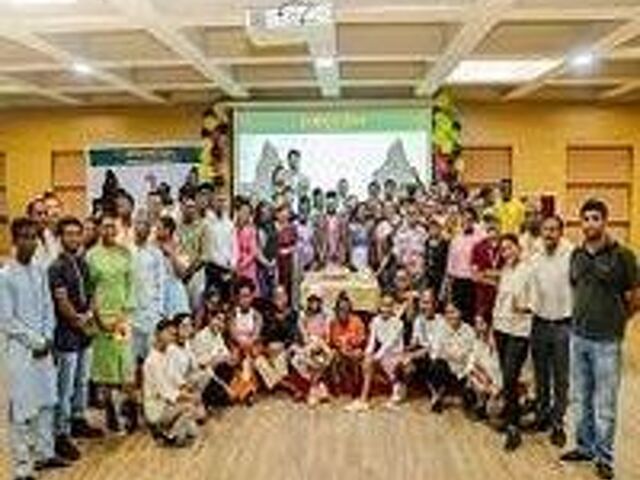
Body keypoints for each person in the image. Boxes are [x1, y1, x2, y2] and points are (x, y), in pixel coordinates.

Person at [561, 199, 638, 480]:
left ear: (605, 221)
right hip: (578, 336)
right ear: (581, 223)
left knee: (605, 404)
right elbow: (576, 287)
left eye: (596, 218)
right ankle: (584, 447)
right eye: (586, 218)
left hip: (607, 342)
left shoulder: (623, 256)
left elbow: (635, 296)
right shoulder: (577, 254)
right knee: (581, 398)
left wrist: (619, 320)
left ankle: (604, 457)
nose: (590, 223)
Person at [0, 218, 70, 480]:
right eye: (24, 237)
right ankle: (22, 469)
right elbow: (7, 320)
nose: (30, 242)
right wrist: (36, 342)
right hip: (20, 352)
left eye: (33, 237)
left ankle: (44, 454)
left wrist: (48, 337)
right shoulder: (5, 276)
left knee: (46, 402)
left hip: (44, 348)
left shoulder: (40, 271)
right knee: (21, 410)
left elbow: (48, 308)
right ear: (14, 240)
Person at [48, 217, 102, 463]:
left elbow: (91, 293)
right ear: (61, 237)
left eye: (77, 234)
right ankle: (61, 434)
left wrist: (90, 313)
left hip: (84, 333)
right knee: (65, 386)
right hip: (66, 334)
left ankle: (78, 419)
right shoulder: (56, 267)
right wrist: (80, 321)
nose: (73, 238)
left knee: (81, 381)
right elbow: (61, 301)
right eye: (68, 234)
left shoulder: (82, 263)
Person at [86, 212, 136, 433]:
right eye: (105, 226)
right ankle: (110, 413)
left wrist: (123, 314)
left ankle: (128, 410)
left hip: (122, 319)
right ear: (99, 229)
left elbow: (131, 285)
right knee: (104, 369)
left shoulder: (125, 254)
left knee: (125, 365)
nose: (109, 231)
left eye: (113, 227)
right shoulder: (91, 256)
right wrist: (98, 318)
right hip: (100, 320)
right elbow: (88, 291)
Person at [529, 215, 573, 447]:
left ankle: (558, 423)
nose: (549, 233)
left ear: (561, 232)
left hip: (563, 325)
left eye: (554, 229)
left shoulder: (571, 255)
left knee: (561, 378)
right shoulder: (535, 257)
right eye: (546, 229)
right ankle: (543, 415)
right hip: (539, 323)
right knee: (541, 375)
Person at [492, 233, 533, 452]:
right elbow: (501, 300)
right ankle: (510, 418)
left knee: (510, 376)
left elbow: (538, 300)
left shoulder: (529, 270)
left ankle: (513, 427)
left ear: (518, 247)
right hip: (501, 328)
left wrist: (525, 307)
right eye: (503, 250)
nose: (506, 252)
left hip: (519, 331)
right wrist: (493, 326)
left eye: (509, 248)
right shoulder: (506, 270)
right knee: (507, 378)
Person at [143, 318, 199, 447]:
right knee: (190, 408)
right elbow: (166, 392)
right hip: (157, 407)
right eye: (168, 333)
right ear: (158, 334)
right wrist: (189, 397)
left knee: (193, 432)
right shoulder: (152, 361)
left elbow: (174, 377)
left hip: (168, 403)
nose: (171, 338)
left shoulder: (168, 353)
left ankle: (168, 428)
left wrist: (185, 387)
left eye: (173, 335)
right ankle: (169, 436)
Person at [347, 294, 405, 411]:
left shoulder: (398, 323)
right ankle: (364, 399)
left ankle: (395, 388)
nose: (385, 309)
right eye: (383, 306)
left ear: (393, 308)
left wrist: (375, 357)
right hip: (382, 354)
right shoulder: (375, 321)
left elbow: (389, 343)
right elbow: (372, 341)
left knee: (373, 361)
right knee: (367, 361)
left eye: (389, 306)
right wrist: (368, 354)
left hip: (395, 354)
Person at [428, 302, 475, 413]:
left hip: (463, 371)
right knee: (436, 365)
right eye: (447, 313)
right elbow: (435, 351)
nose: (450, 316)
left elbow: (472, 355)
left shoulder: (469, 331)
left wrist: (467, 372)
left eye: (453, 312)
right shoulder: (440, 328)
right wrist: (453, 355)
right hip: (446, 368)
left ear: (461, 313)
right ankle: (437, 396)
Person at [131, 214, 166, 364]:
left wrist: (160, 309)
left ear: (150, 229)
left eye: (145, 224)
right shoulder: (127, 251)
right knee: (130, 357)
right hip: (130, 310)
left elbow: (161, 282)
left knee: (151, 356)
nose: (142, 227)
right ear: (134, 226)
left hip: (151, 310)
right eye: (139, 223)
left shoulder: (156, 253)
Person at [255, 285, 300, 393]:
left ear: (286, 297)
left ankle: (277, 383)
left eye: (281, 295)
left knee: (281, 358)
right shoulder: (267, 314)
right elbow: (264, 335)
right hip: (269, 350)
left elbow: (293, 336)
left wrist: (283, 346)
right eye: (276, 296)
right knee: (258, 362)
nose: (279, 299)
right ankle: (285, 385)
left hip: (285, 349)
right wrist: (267, 349)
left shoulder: (293, 314)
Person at [291, 289, 333, 406]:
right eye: (312, 301)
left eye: (316, 301)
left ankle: (315, 387)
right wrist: (311, 344)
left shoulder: (326, 315)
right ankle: (317, 386)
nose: (314, 304)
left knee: (323, 357)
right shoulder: (303, 316)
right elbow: (304, 335)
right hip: (308, 344)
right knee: (301, 358)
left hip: (322, 344)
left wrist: (320, 343)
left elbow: (327, 335)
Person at [192, 306, 236, 410]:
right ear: (210, 319)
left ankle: (219, 398)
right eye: (218, 319)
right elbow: (202, 365)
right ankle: (209, 400)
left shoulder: (218, 335)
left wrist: (229, 358)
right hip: (204, 375)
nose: (220, 324)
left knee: (229, 366)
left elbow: (225, 353)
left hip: (215, 372)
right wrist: (216, 360)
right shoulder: (201, 337)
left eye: (223, 321)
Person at [445, 207, 484, 324]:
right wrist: (449, 286)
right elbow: (450, 263)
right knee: (456, 314)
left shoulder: (480, 238)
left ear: (474, 221)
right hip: (457, 282)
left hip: (472, 282)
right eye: (464, 219)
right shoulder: (456, 238)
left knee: (470, 315)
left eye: (469, 219)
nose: (466, 222)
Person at [403, 289, 445, 394]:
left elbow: (432, 347)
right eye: (422, 303)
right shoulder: (418, 320)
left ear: (435, 305)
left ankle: (437, 391)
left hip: (437, 357)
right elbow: (415, 341)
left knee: (434, 363)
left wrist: (411, 356)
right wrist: (404, 349)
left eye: (427, 303)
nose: (424, 307)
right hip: (423, 354)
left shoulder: (441, 321)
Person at [463, 314, 502, 421]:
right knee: (472, 380)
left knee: (495, 415)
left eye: (481, 323)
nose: (478, 327)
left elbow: (499, 370)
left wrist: (493, 385)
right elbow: (470, 363)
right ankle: (480, 404)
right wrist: (481, 375)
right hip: (482, 379)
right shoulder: (477, 342)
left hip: (496, 382)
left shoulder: (498, 344)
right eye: (476, 323)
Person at [228, 279, 262, 403]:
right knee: (238, 357)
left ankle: (247, 390)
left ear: (252, 296)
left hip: (251, 346)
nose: (245, 300)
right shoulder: (233, 313)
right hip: (237, 345)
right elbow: (232, 333)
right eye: (242, 296)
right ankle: (247, 390)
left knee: (249, 357)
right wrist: (241, 344)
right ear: (237, 297)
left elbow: (256, 334)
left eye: (247, 296)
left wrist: (248, 344)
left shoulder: (257, 315)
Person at [329, 291, 367, 397]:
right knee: (333, 356)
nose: (343, 312)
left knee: (357, 355)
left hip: (355, 349)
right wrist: (342, 348)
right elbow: (333, 341)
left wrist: (351, 344)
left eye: (346, 309)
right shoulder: (333, 323)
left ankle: (355, 387)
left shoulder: (357, 321)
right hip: (340, 350)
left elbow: (362, 338)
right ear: (337, 310)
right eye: (341, 309)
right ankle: (337, 387)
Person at [156, 216, 190, 318]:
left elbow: (182, 274)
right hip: (157, 290)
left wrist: (171, 254)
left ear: (167, 230)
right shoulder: (152, 246)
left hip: (174, 291)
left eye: (159, 228)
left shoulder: (180, 247)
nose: (156, 231)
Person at [203, 195, 235, 302]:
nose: (221, 203)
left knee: (226, 301)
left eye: (224, 200)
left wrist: (232, 264)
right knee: (212, 302)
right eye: (219, 200)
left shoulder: (230, 224)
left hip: (227, 268)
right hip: (212, 268)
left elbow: (233, 246)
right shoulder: (207, 223)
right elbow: (208, 249)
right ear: (213, 202)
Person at [471, 215, 502, 324]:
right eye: (490, 224)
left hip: (501, 297)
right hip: (482, 296)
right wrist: (493, 281)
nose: (493, 227)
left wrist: (486, 273)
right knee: (481, 325)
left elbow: (509, 272)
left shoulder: (504, 246)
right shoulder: (478, 247)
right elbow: (475, 276)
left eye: (496, 224)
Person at [315, 191, 347, 268]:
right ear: (326, 204)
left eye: (333, 204)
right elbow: (317, 238)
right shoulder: (321, 218)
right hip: (325, 253)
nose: (331, 206)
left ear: (336, 204)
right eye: (329, 204)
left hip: (338, 253)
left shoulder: (340, 219)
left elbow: (343, 237)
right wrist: (320, 252)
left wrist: (343, 253)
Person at [255, 201, 278, 299]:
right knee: (264, 293)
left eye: (267, 212)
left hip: (274, 265)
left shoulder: (273, 227)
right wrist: (267, 263)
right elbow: (257, 250)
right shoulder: (256, 229)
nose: (265, 215)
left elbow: (276, 245)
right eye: (263, 213)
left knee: (273, 293)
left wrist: (274, 261)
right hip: (261, 266)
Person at [274, 203, 297, 301]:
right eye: (281, 213)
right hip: (276, 259)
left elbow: (295, 244)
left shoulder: (292, 227)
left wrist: (288, 250)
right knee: (277, 283)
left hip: (288, 259)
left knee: (289, 282)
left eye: (286, 214)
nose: (284, 216)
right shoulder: (274, 227)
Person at [234, 199, 258, 288]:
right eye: (243, 211)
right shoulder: (233, 227)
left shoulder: (251, 229)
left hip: (248, 267)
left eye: (247, 212)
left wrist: (242, 265)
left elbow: (253, 252)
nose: (244, 214)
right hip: (235, 265)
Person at [424, 217, 449, 300]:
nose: (433, 230)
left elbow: (446, 262)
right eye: (431, 228)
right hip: (428, 276)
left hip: (440, 276)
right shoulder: (427, 242)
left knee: (440, 298)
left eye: (435, 228)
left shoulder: (444, 243)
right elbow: (426, 258)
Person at [347, 202, 370, 271]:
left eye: (364, 210)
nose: (362, 213)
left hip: (366, 253)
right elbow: (349, 243)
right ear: (356, 212)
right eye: (360, 210)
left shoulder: (368, 225)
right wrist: (350, 259)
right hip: (356, 253)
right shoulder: (352, 226)